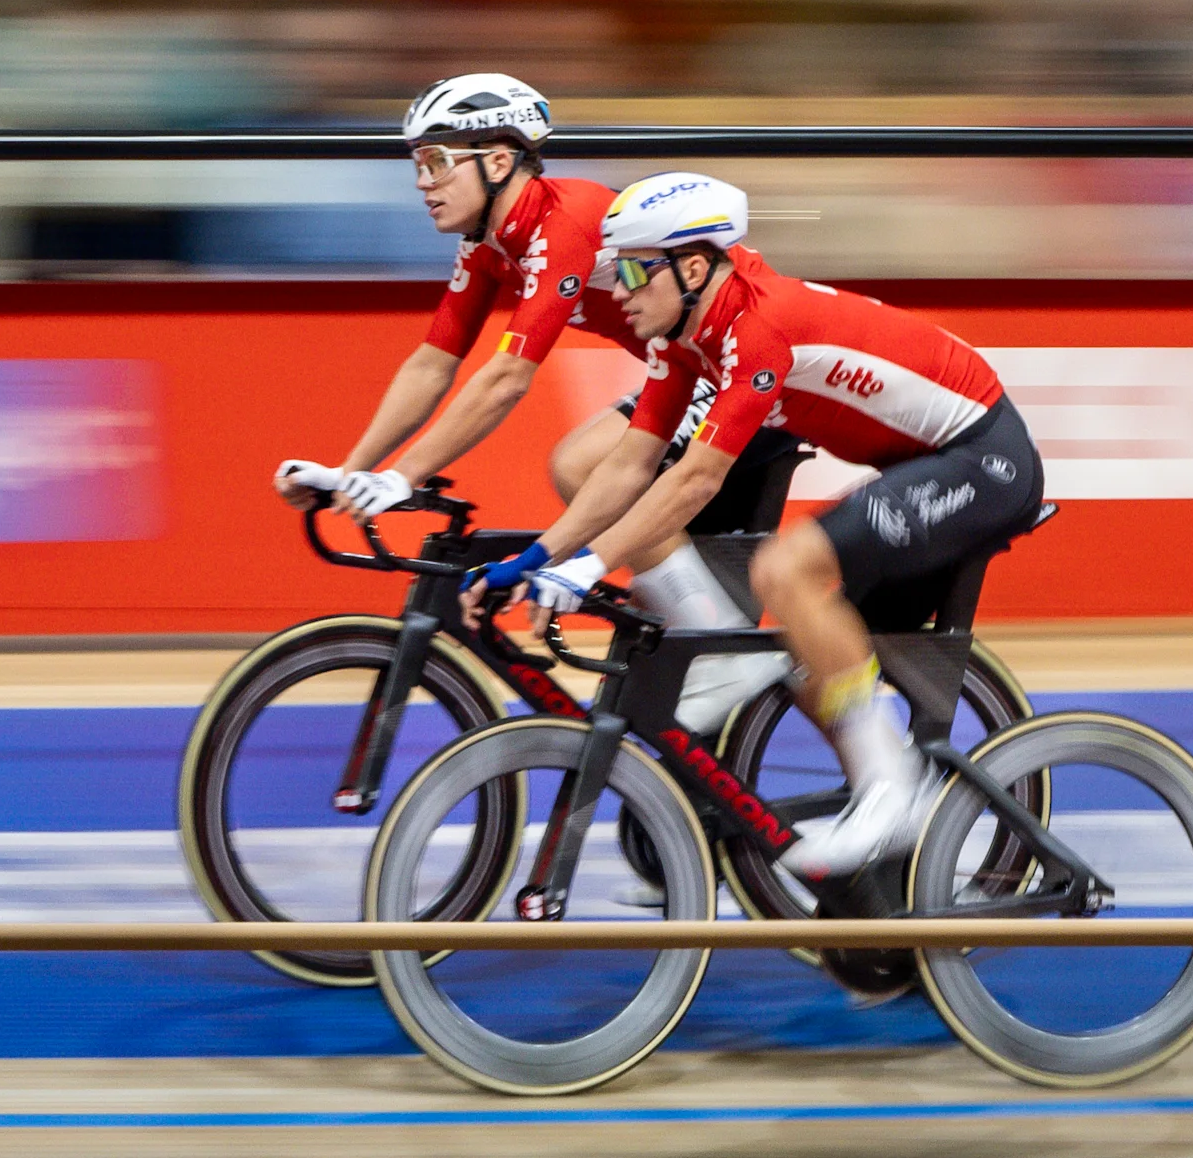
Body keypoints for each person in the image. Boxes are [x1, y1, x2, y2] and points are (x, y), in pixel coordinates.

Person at [469, 171, 1044, 881]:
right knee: (800, 635)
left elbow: (696, 479)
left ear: (692, 267)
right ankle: (876, 783)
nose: (614, 291)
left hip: (983, 457)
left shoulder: (757, 328)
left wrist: (589, 566)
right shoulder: (687, 336)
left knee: (785, 569)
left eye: (629, 270)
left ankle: (893, 792)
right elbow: (626, 468)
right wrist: (538, 558)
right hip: (922, 460)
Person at [273, 75, 800, 535]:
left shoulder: (562, 223)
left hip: (756, 371)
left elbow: (506, 379)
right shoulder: (489, 244)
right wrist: (354, 471)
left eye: (436, 162)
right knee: (592, 481)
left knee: (580, 467)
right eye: (418, 163)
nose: (421, 182)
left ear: (499, 162)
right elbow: (432, 364)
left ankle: (700, 626)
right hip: (699, 373)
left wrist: (401, 477)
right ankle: (691, 626)